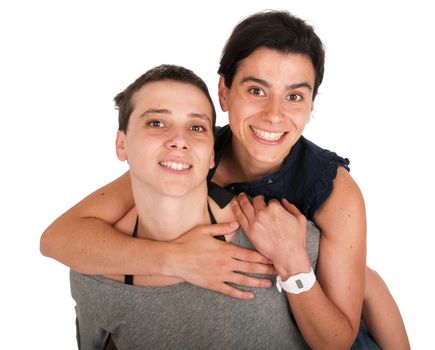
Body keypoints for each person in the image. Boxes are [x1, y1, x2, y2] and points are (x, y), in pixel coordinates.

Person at [41, 10, 409, 349]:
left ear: (311, 106)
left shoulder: (334, 194)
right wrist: (176, 259)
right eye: (256, 90)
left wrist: (294, 261)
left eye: (294, 96)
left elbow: (351, 316)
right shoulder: (191, 154)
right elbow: (60, 237)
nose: (273, 115)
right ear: (224, 92)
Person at [71, 63, 321, 349]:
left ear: (212, 154)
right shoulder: (92, 269)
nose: (179, 140)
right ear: (121, 145)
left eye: (197, 127)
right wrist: (173, 259)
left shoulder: (281, 237)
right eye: (156, 123)